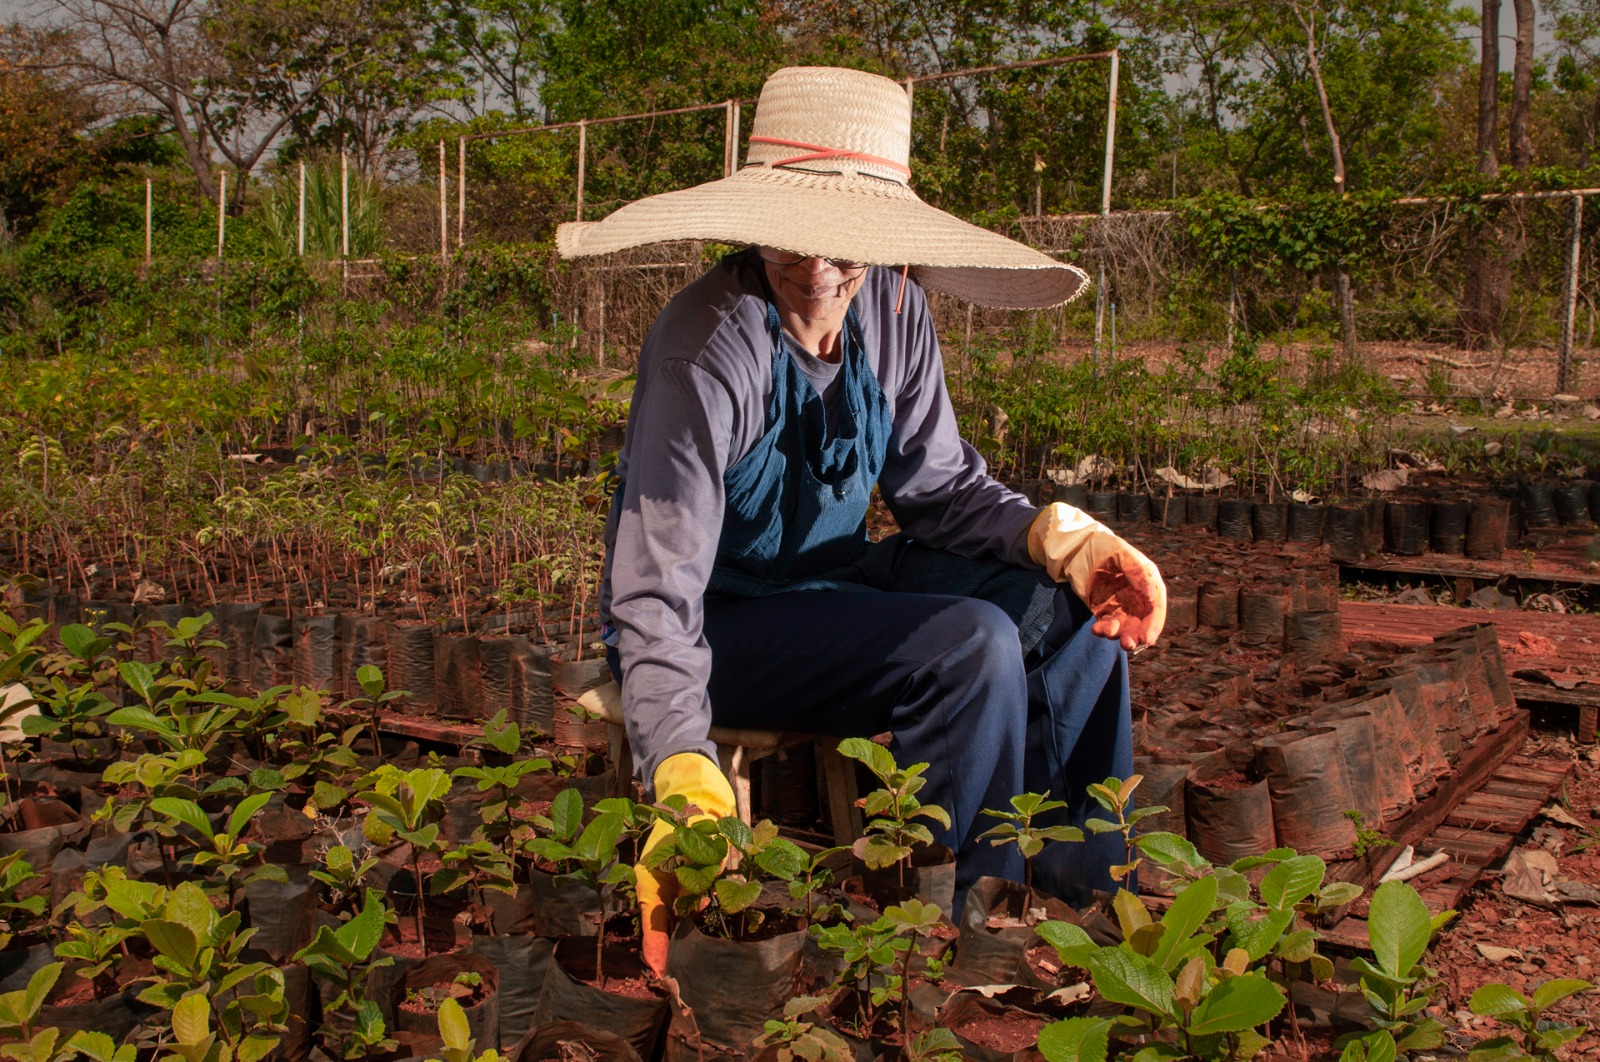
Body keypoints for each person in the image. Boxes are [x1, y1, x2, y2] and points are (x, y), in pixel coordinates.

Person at [557, 65, 1167, 975]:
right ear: (756, 226)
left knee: (1062, 615)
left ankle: (1076, 894)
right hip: (726, 623)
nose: (819, 270)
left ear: (883, 245)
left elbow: (942, 491)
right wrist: (678, 762)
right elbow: (654, 593)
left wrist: (1062, 541)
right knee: (969, 643)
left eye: (847, 248)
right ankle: (961, 922)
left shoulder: (894, 309)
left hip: (835, 581)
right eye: (794, 243)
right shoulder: (705, 350)